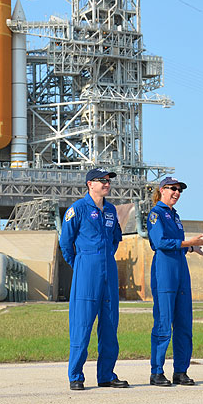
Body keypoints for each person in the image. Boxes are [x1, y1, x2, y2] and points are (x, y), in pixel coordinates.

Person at [59, 167, 129, 391]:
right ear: (90, 184)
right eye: (102, 180)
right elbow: (65, 243)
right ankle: (76, 375)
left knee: (109, 325)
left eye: (108, 180)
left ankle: (106, 375)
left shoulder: (110, 210)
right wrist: (80, 264)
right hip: (86, 270)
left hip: (108, 268)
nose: (107, 184)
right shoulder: (77, 209)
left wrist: (106, 257)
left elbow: (116, 238)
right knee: (82, 325)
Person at [146, 176, 203, 387]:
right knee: (164, 323)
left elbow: (177, 243)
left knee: (184, 323)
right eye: (172, 189)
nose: (176, 193)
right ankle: (157, 372)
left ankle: (181, 371)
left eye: (179, 190)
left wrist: (192, 248)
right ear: (162, 190)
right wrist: (186, 242)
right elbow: (158, 242)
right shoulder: (156, 214)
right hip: (165, 270)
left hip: (181, 269)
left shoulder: (175, 215)